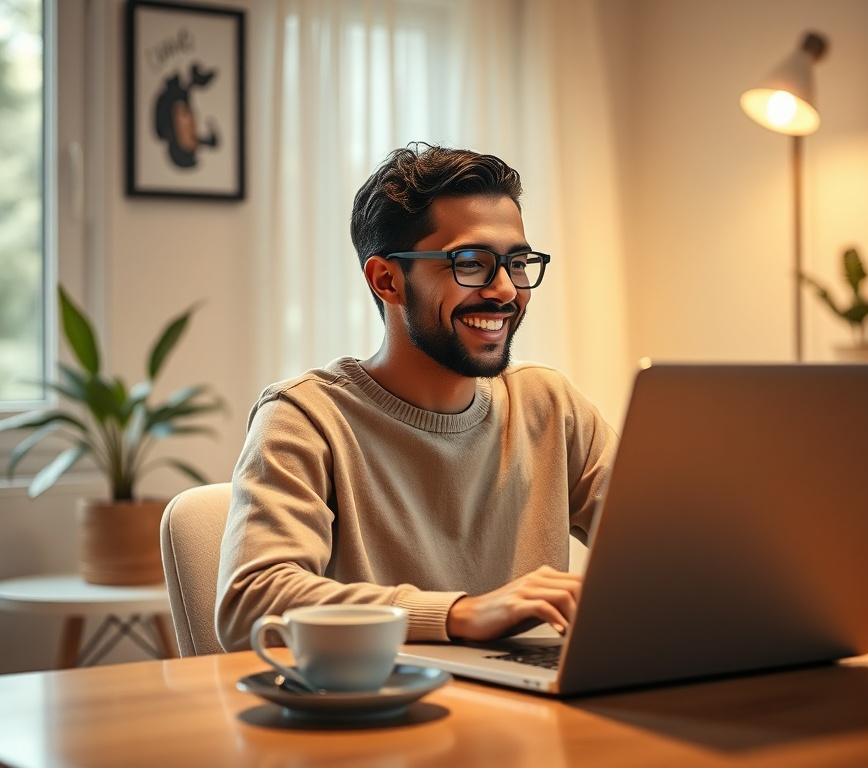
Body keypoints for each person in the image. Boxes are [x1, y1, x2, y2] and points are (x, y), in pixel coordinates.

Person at [215, 144, 618, 650]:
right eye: (471, 263)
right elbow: (250, 601)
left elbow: (663, 543)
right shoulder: (305, 417)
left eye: (517, 263)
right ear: (387, 280)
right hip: (381, 713)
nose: (506, 291)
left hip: (539, 708)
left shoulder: (549, 405)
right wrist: (460, 614)